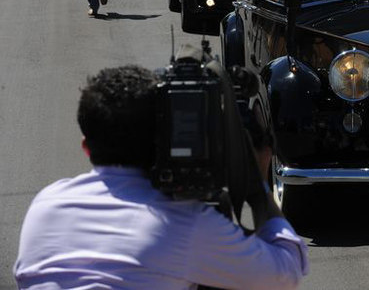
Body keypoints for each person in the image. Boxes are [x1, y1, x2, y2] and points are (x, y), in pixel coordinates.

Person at [14, 65, 309, 289]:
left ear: (86, 148)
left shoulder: (44, 207)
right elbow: (286, 270)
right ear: (163, 140)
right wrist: (257, 189)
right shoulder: (182, 223)